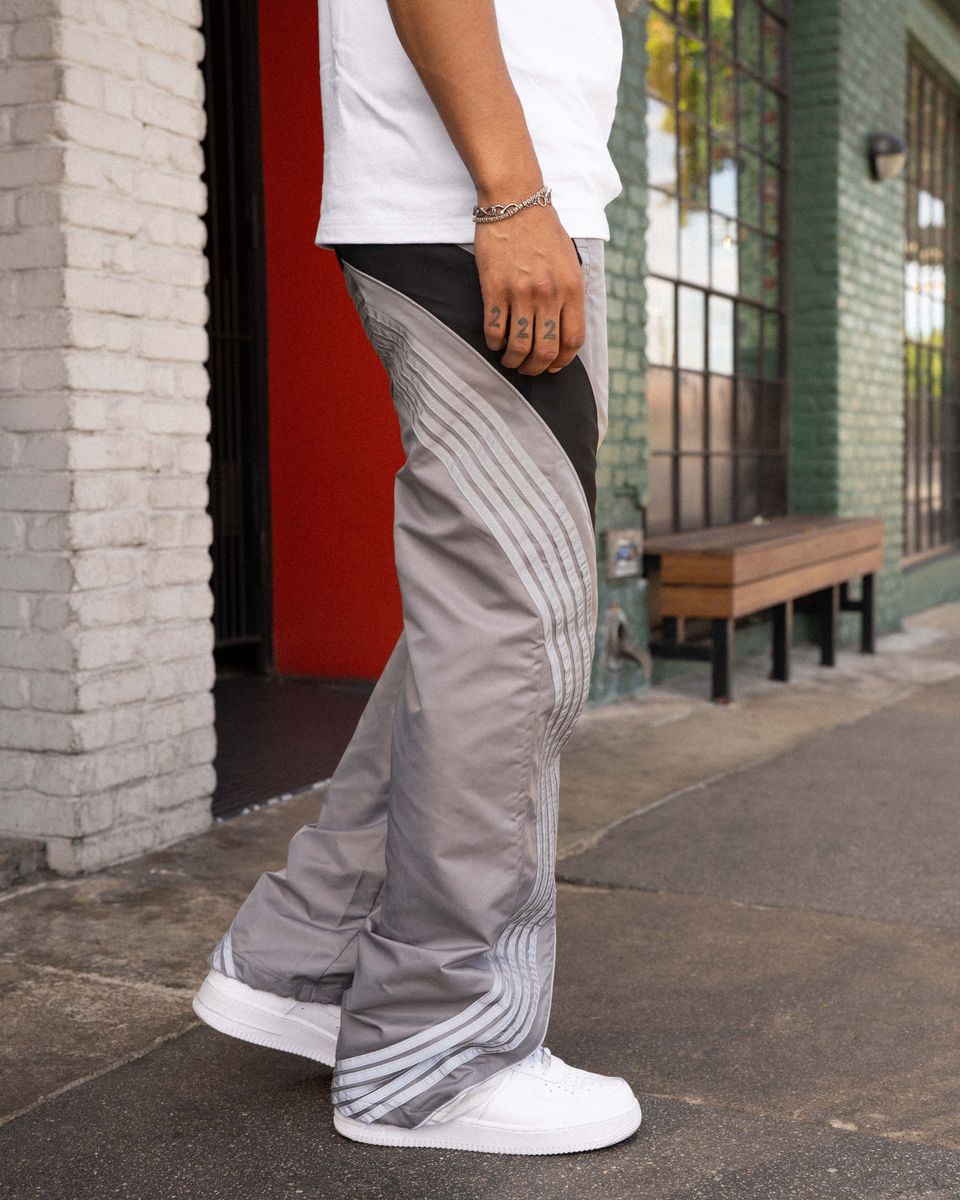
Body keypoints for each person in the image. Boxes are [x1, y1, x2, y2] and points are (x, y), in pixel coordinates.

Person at [192, 0, 642, 1155]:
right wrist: (512, 195)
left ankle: (311, 957)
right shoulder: (498, 196)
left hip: (478, 196)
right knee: (513, 630)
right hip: (479, 202)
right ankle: (437, 1052)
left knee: (479, 617)